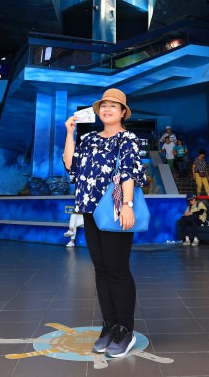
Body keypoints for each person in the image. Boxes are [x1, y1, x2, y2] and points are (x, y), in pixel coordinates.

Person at [63, 88, 146, 359]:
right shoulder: (87, 139)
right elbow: (70, 165)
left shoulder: (128, 138)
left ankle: (126, 330)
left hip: (114, 209)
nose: (107, 109)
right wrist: (69, 133)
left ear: (123, 112)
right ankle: (109, 325)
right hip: (89, 210)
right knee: (101, 269)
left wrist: (127, 205)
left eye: (114, 106)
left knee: (118, 270)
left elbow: (129, 172)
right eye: (104, 106)